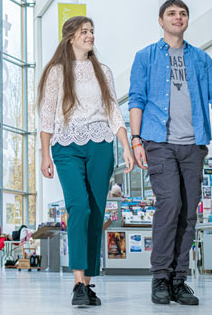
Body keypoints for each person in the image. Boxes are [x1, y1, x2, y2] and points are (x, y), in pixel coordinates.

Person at [128, 0, 212, 306]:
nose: (178, 18)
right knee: (170, 204)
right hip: (158, 141)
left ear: (187, 20)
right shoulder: (145, 57)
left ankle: (179, 280)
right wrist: (136, 139)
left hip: (193, 143)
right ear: (160, 21)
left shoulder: (201, 59)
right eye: (171, 14)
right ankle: (160, 277)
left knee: (189, 211)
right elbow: (136, 98)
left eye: (182, 14)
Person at [39, 16, 136, 307]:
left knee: (95, 211)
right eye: (84, 32)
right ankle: (77, 282)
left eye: (92, 31)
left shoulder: (102, 71)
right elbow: (46, 117)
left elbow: (114, 111)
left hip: (101, 145)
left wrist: (126, 146)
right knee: (78, 206)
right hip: (65, 146)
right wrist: (45, 154)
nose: (90, 35)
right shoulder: (57, 72)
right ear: (71, 38)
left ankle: (88, 284)